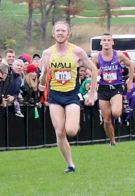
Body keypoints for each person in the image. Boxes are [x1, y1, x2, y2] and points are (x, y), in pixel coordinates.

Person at [38, 20, 98, 173]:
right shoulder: (46, 53)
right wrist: (44, 74)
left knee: (70, 131)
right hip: (55, 95)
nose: (60, 33)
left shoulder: (77, 51)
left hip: (71, 95)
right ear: (53, 33)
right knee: (59, 132)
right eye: (57, 30)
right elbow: (42, 82)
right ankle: (70, 164)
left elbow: (93, 69)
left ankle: (74, 121)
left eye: (63, 30)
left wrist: (91, 94)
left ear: (68, 34)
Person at [91, 33, 134, 145]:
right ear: (101, 43)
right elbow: (90, 69)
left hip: (116, 87)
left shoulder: (118, 55)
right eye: (104, 40)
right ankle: (112, 140)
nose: (106, 42)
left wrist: (130, 80)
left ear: (112, 42)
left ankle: (123, 108)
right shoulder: (96, 56)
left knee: (115, 113)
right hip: (103, 88)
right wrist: (95, 74)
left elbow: (130, 64)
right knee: (106, 120)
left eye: (108, 40)